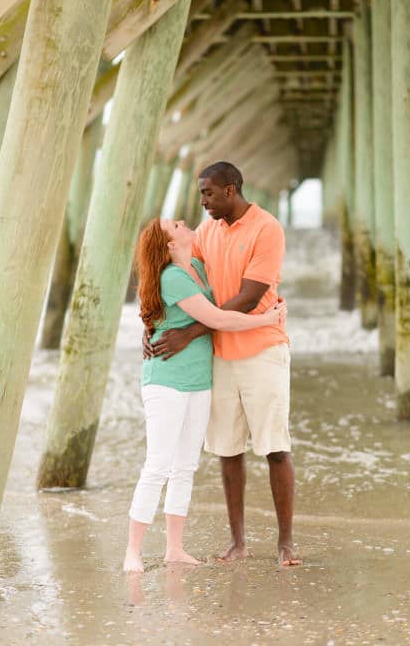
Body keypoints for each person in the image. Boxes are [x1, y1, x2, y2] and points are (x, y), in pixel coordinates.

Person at [148, 161, 299, 566]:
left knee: (275, 448)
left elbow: (249, 297)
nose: (202, 202)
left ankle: (285, 544)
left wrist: (190, 333)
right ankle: (238, 542)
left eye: (208, 193)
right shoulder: (208, 232)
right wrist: (151, 328)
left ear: (230, 191)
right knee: (227, 451)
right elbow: (179, 278)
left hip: (263, 349)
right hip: (220, 355)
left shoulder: (267, 228)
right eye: (201, 194)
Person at [125, 217, 285, 573]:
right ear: (169, 244)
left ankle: (174, 549)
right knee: (158, 465)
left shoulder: (195, 266)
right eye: (177, 225)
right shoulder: (173, 278)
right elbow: (220, 319)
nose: (185, 222)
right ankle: (133, 551)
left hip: (199, 381)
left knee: (185, 467)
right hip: (166, 381)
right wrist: (268, 320)